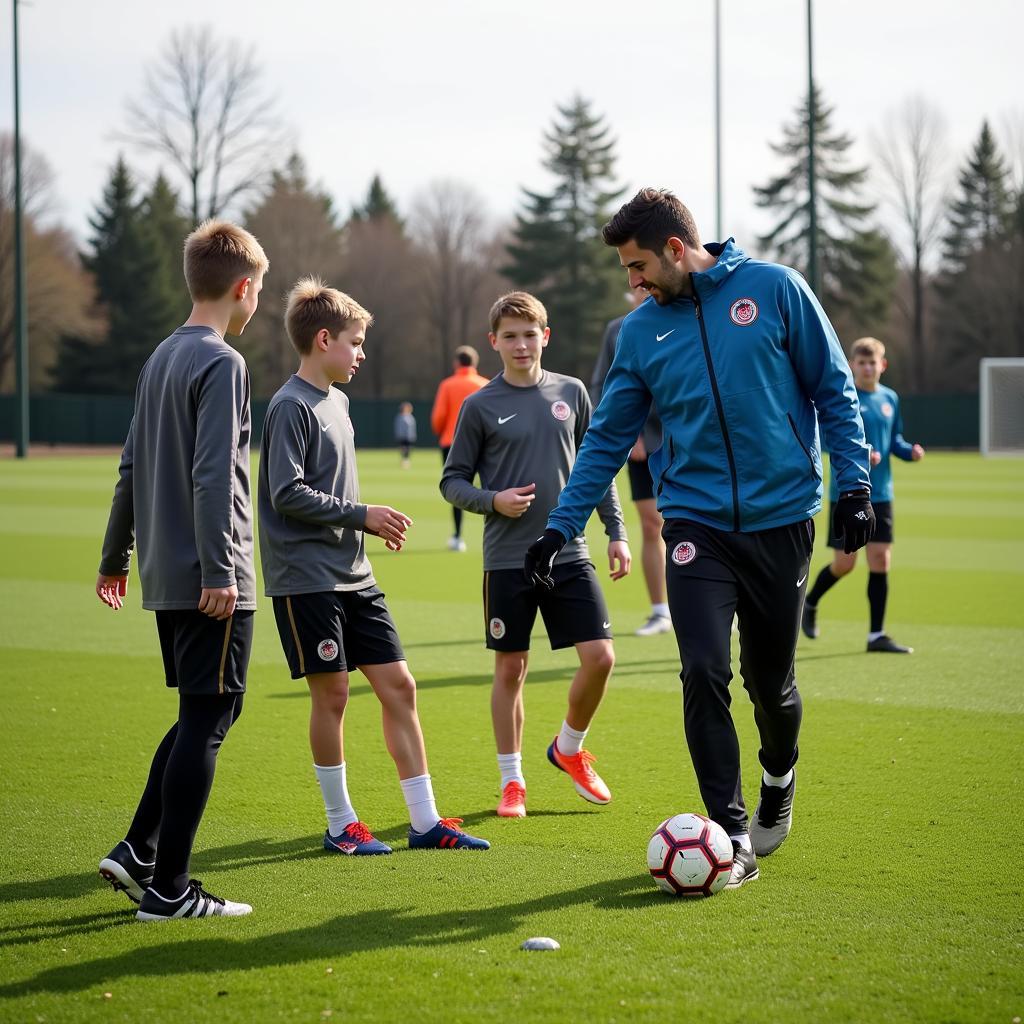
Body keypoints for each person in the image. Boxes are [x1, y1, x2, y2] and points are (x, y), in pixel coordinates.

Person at [525, 188, 873, 887]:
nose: (633, 282)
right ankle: (732, 832)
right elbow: (606, 439)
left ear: (677, 249)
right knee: (703, 670)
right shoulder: (639, 333)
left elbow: (834, 389)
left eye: (638, 266)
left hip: (782, 520)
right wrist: (558, 528)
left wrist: (855, 487)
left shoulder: (775, 290)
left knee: (769, 684)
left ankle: (780, 777)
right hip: (695, 525)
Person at [258, 278, 489, 854]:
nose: (361, 353)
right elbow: (286, 492)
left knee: (399, 686)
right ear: (323, 339)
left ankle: (425, 822)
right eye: (355, 343)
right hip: (305, 577)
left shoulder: (338, 401)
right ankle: (340, 825)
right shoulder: (289, 406)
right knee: (332, 695)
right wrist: (363, 515)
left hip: (354, 573)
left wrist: (364, 526)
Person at [95, 219, 268, 921]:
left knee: (203, 708)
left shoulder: (159, 357)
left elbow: (130, 467)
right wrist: (223, 571)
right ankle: (169, 890)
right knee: (211, 713)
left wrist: (115, 557)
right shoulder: (223, 363)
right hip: (210, 575)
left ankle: (139, 847)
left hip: (168, 572)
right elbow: (212, 473)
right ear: (244, 288)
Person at [441, 291, 631, 819]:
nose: (521, 344)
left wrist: (616, 530)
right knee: (511, 671)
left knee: (601, 657)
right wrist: (491, 501)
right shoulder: (479, 405)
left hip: (570, 553)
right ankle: (512, 782)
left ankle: (568, 748)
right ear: (493, 342)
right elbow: (452, 481)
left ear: (545, 336)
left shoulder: (571, 391)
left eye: (530, 334)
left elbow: (597, 466)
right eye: (510, 336)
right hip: (507, 560)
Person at [802, 337, 925, 654]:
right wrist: (861, 453)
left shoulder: (890, 398)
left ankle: (876, 635)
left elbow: (893, 439)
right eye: (862, 362)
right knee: (845, 564)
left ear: (883, 365)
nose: (868, 368)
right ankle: (811, 602)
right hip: (848, 492)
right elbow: (826, 440)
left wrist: (907, 451)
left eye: (873, 363)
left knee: (881, 560)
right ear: (853, 365)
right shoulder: (844, 397)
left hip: (881, 493)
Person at [591, 285, 670, 636]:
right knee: (653, 525)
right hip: (643, 445)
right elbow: (602, 386)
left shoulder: (687, 318)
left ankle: (713, 607)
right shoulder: (617, 330)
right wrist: (630, 433)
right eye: (637, 287)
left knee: (698, 525)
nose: (644, 291)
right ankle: (661, 611)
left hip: (688, 443)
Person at [431, 346, 488, 551]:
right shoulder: (485, 384)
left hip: (451, 443)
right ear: (475, 363)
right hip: (483, 444)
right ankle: (493, 535)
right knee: (490, 488)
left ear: (457, 363)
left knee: (456, 489)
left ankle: (457, 536)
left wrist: (442, 431)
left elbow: (438, 418)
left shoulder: (447, 385)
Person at [394, 401, 417, 469]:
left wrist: (413, 435)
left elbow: (412, 428)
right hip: (402, 436)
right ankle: (403, 461)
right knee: (403, 449)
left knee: (408, 449)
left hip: (409, 437)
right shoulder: (400, 417)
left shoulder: (411, 417)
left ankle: (406, 461)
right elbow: (398, 427)